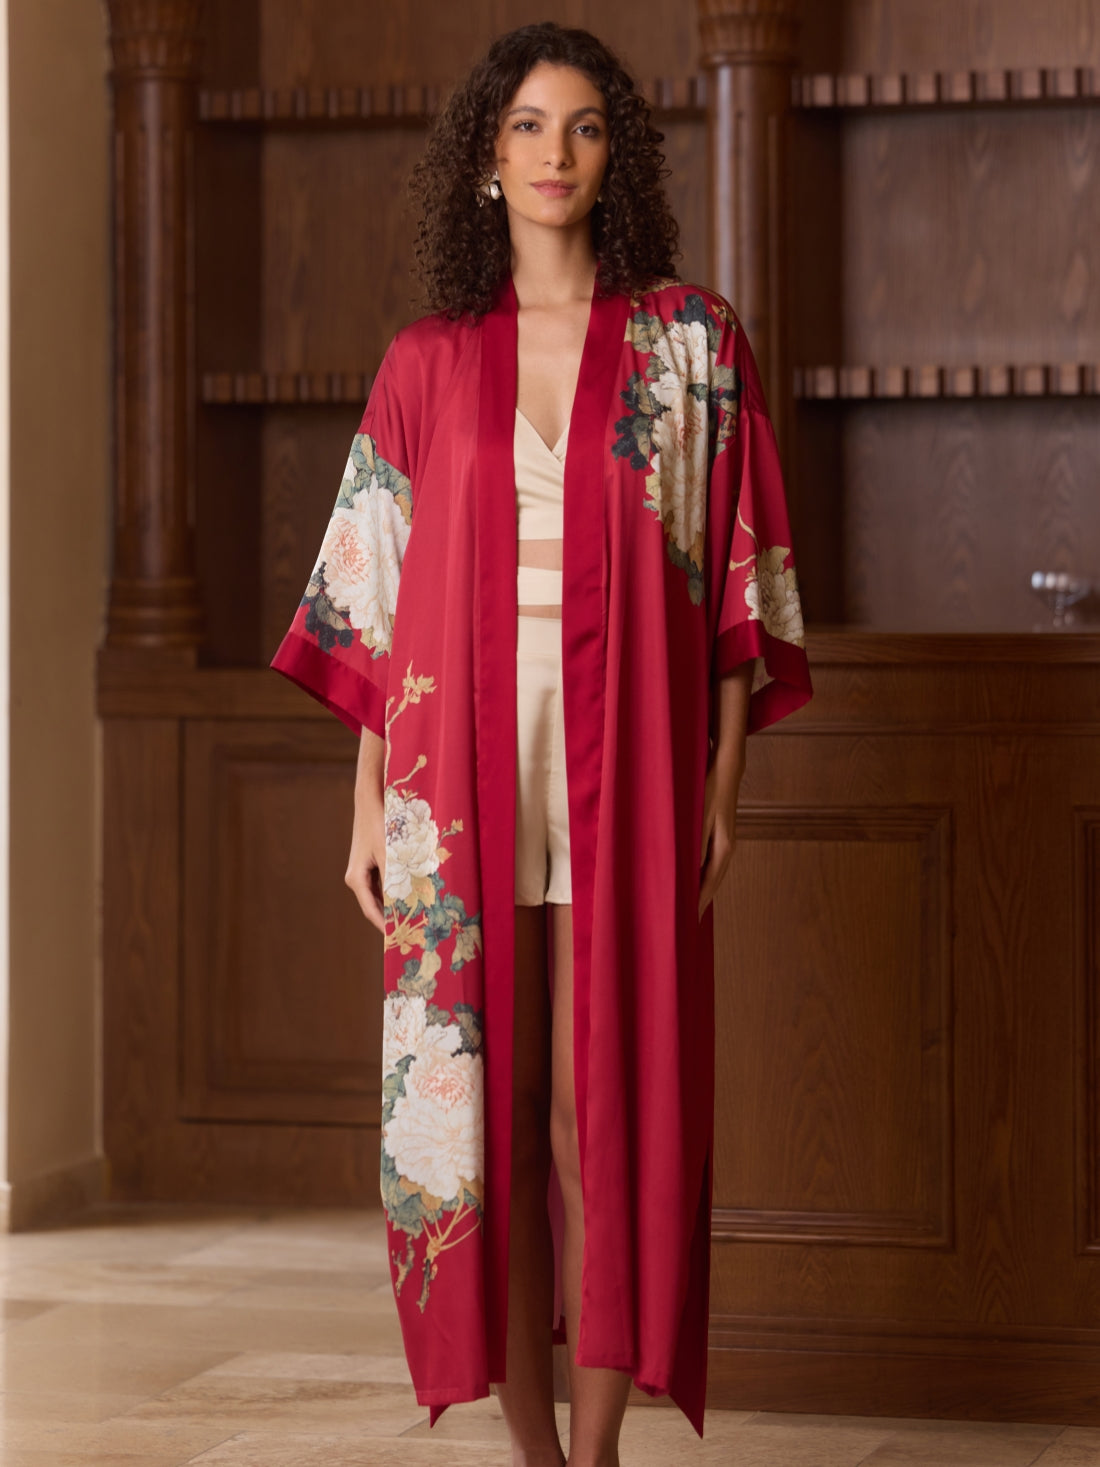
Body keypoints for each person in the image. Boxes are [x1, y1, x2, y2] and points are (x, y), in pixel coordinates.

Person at [271, 20, 812, 1467]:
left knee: (600, 1109)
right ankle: (535, 1455)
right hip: (457, 770)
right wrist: (367, 801)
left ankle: (603, 1450)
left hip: (631, 755)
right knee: (486, 1121)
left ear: (615, 154)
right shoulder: (425, 363)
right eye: (525, 126)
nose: (554, 154)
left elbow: (740, 580)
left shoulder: (693, 348)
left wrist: (726, 779)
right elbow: (370, 604)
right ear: (484, 160)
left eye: (583, 126)